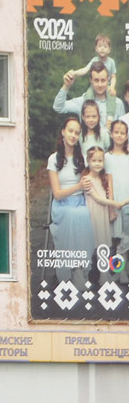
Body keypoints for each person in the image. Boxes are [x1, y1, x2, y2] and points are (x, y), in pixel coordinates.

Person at [47, 115, 94, 282]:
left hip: (79, 201)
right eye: (70, 131)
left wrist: (87, 185)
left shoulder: (80, 157)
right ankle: (72, 268)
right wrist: (78, 187)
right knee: (74, 216)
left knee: (83, 214)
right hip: (62, 204)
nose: (73, 135)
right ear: (63, 132)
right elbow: (57, 193)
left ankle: (80, 268)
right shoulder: (54, 159)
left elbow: (86, 182)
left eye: (77, 133)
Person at [83, 146, 122, 255]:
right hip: (93, 215)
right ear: (88, 161)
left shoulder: (101, 178)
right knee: (95, 242)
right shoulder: (86, 179)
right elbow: (97, 199)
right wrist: (114, 203)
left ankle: (103, 270)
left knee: (103, 243)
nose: (97, 164)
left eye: (100, 161)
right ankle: (90, 269)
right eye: (94, 160)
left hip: (102, 214)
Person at [54, 60, 125, 121]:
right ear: (90, 80)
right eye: (96, 80)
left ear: (108, 80)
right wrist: (66, 86)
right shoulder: (82, 101)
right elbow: (58, 107)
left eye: (103, 80)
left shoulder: (118, 104)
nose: (100, 85)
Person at [68, 34, 118, 99]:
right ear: (96, 49)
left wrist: (112, 87)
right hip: (94, 87)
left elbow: (113, 77)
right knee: (88, 96)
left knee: (112, 95)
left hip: (106, 86)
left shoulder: (111, 62)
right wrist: (74, 73)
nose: (102, 48)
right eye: (100, 46)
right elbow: (85, 70)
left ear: (109, 50)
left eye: (105, 47)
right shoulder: (94, 60)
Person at [105, 120, 129, 253]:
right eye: (116, 132)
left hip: (128, 198)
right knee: (117, 239)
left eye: (122, 133)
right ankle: (118, 270)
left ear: (126, 136)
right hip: (115, 201)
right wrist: (111, 207)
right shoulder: (107, 157)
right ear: (111, 134)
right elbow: (109, 183)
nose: (119, 135)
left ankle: (125, 269)